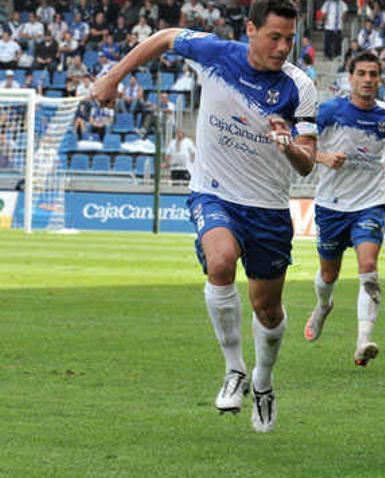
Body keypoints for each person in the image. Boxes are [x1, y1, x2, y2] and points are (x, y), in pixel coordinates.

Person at [92, 0, 317, 433]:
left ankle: (263, 380)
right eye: (275, 37)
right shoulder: (215, 54)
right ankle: (234, 368)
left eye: (290, 38)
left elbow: (307, 162)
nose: (283, 47)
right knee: (219, 262)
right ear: (250, 29)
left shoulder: (299, 86)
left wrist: (287, 144)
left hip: (268, 206)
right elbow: (162, 37)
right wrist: (113, 76)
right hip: (213, 193)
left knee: (266, 309)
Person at [303, 51, 385, 366]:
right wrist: (325, 158)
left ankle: (363, 341)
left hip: (370, 201)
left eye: (374, 74)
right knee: (328, 273)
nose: (368, 80)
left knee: (369, 269)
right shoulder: (330, 110)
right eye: (362, 73)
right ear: (351, 77)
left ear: (380, 79)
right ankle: (323, 305)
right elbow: (302, 143)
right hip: (331, 204)